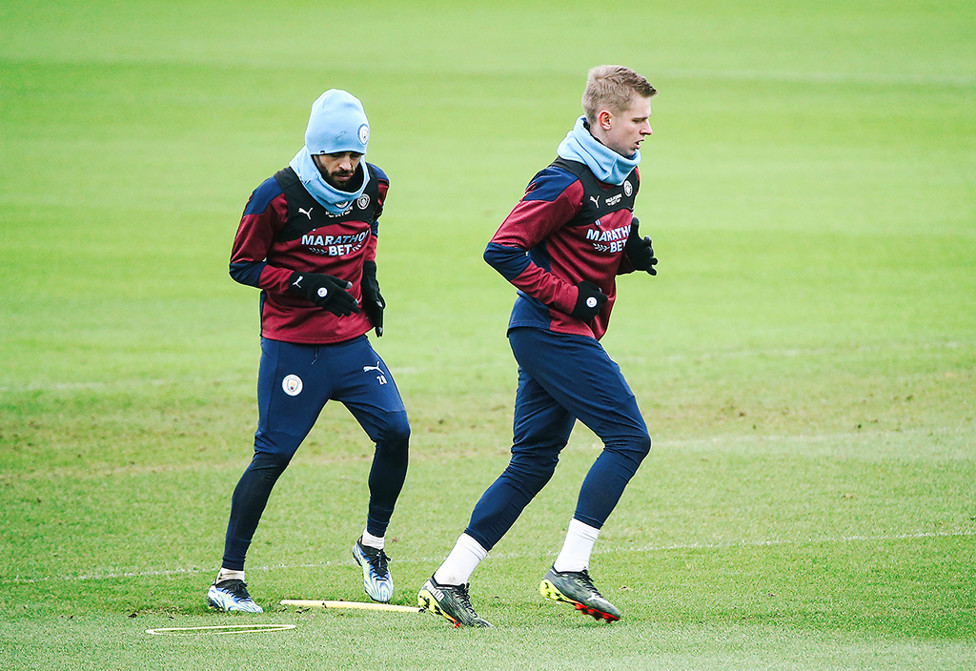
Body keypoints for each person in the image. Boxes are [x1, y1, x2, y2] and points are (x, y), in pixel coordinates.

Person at [418, 66, 658, 627]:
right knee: (629, 438)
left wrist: (626, 256)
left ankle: (447, 580)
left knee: (531, 464)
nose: (647, 130)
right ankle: (569, 569)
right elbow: (502, 248)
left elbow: (586, 239)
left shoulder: (626, 174)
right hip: (550, 331)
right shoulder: (563, 181)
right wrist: (572, 298)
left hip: (563, 332)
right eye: (638, 120)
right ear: (605, 120)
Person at [207, 89, 410, 613]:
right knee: (272, 456)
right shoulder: (274, 196)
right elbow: (243, 266)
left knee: (396, 430)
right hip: (292, 347)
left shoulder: (375, 185)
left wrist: (370, 283)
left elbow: (367, 234)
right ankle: (228, 580)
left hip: (349, 342)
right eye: (335, 156)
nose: (346, 166)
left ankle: (372, 547)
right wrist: (309, 284)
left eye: (354, 155)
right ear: (314, 149)